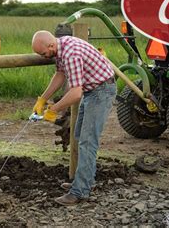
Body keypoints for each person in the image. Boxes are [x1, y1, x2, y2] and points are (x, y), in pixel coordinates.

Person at [31, 30, 117, 206]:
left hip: (101, 92)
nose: (44, 57)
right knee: (79, 136)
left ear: (50, 45)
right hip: (92, 91)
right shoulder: (61, 47)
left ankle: (80, 192)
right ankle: (84, 180)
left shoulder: (71, 53)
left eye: (43, 53)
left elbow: (76, 93)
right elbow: (60, 75)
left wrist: (53, 110)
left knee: (87, 141)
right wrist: (43, 99)